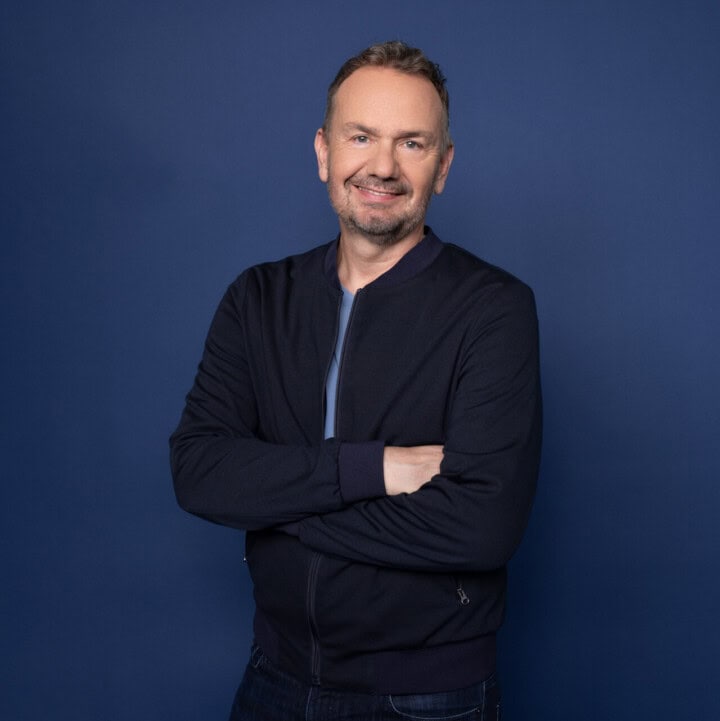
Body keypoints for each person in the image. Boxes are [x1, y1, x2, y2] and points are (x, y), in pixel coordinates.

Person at [170, 40, 541, 721]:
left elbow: (483, 526)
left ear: (443, 166)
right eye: (361, 136)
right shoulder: (258, 298)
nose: (383, 166)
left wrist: (277, 508)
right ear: (324, 152)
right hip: (273, 677)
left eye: (411, 143)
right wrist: (373, 469)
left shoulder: (494, 308)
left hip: (428, 696)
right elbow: (198, 471)